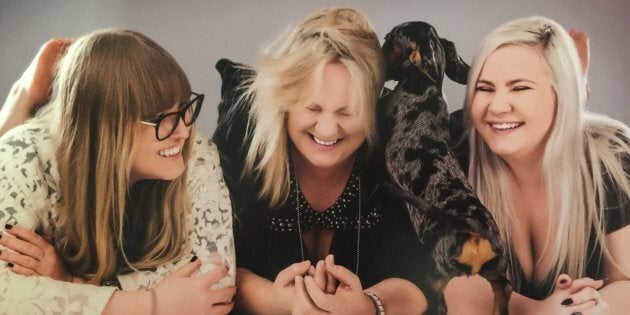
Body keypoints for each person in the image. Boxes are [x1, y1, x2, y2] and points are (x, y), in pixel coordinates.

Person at [0, 29, 236, 314]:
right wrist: (153, 305)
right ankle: (21, 98)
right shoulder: (21, 156)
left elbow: (215, 288)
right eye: (161, 118)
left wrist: (69, 281)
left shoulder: (196, 153)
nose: (184, 130)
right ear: (103, 130)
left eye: (185, 107)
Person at [213, 7, 428, 314]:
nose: (327, 129)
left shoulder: (396, 149)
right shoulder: (243, 143)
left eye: (347, 112)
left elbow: (419, 277)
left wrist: (369, 306)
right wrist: (278, 302)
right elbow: (211, 263)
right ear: (285, 103)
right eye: (312, 109)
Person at [445, 16, 630, 314]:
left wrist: (586, 308)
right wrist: (541, 311)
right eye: (485, 88)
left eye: (519, 88)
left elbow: (627, 281)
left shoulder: (609, 153)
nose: (497, 106)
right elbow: (457, 286)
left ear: (563, 95)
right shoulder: (454, 149)